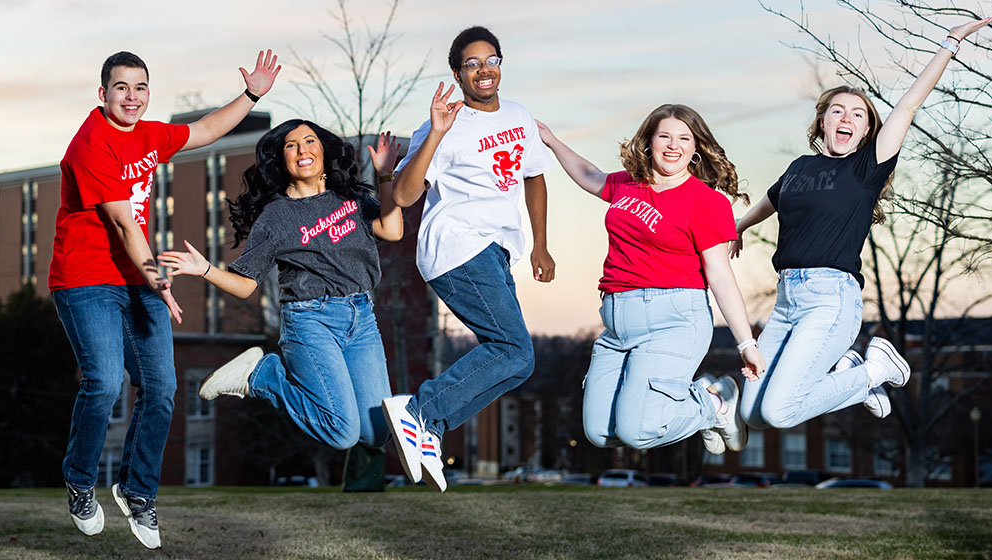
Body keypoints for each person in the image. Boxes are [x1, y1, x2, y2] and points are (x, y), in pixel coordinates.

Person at [50, 49, 280, 549]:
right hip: (86, 280)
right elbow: (124, 224)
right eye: (121, 88)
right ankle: (79, 479)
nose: (131, 97)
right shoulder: (92, 143)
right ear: (103, 93)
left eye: (140, 87)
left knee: (161, 387)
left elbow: (205, 130)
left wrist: (252, 95)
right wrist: (158, 280)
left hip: (138, 280)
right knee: (106, 380)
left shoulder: (151, 134)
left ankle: (137, 492)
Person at [731, 17, 992, 431]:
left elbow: (908, 104)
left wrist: (951, 42)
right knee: (753, 416)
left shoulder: (865, 167)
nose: (846, 117)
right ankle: (855, 372)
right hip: (787, 299)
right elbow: (773, 198)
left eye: (858, 114)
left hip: (830, 298)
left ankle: (874, 371)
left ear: (866, 131)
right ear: (822, 121)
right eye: (837, 110)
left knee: (778, 411)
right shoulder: (800, 166)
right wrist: (741, 226)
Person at [156, 122, 402, 461]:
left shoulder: (351, 196)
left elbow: (392, 229)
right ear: (282, 158)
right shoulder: (275, 218)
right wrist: (206, 270)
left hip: (361, 317)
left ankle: (265, 376)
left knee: (376, 433)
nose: (303, 150)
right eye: (291, 145)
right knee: (342, 432)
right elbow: (246, 285)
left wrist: (386, 175)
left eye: (310, 141)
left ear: (323, 149)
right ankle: (262, 375)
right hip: (311, 321)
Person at [381, 26, 555, 492]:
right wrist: (436, 133)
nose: (484, 70)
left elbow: (534, 177)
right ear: (458, 73)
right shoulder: (443, 123)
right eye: (472, 64)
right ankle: (421, 410)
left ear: (501, 64)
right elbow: (402, 193)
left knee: (520, 362)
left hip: (497, 251)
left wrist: (539, 243)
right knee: (514, 348)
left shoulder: (518, 115)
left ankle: (429, 424)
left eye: (491, 60)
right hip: (457, 246)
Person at [537, 105, 765, 456]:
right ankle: (705, 402)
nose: (673, 146)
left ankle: (713, 403)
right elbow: (588, 174)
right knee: (600, 432)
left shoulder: (705, 202)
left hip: (673, 320)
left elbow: (720, 275)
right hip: (617, 324)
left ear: (696, 148)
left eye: (684, 138)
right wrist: (551, 141)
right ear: (649, 141)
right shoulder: (628, 184)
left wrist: (745, 344)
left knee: (637, 430)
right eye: (665, 136)